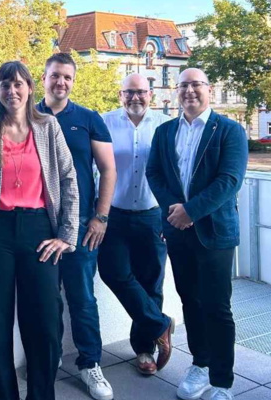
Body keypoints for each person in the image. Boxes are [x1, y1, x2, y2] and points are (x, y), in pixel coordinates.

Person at [0, 60, 78, 400]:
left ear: (29, 88)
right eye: (4, 84)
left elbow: (68, 178)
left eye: (18, 84)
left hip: (40, 230)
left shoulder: (48, 126)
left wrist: (67, 235)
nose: (11, 91)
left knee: (45, 324)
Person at [146, 68, 248, 400]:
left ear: (210, 89)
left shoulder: (229, 130)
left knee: (217, 306)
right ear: (177, 91)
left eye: (196, 84)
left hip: (215, 232)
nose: (190, 91)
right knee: (190, 300)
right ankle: (200, 364)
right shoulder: (164, 132)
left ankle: (221, 382)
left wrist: (191, 211)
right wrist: (174, 210)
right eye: (184, 85)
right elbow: (154, 173)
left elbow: (229, 180)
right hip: (178, 232)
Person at [36, 53, 117, 400]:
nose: (61, 82)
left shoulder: (88, 119)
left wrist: (101, 217)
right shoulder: (28, 115)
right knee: (45, 297)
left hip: (83, 224)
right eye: (55, 75)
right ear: (43, 78)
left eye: (67, 77)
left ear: (73, 81)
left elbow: (108, 169)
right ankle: (49, 356)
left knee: (82, 297)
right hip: (39, 223)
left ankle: (90, 363)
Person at [99, 73, 174, 376]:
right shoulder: (104, 123)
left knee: (151, 281)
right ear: (120, 95)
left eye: (141, 91)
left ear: (150, 95)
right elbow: (95, 168)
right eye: (129, 92)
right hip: (114, 214)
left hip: (152, 215)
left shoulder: (165, 126)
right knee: (112, 272)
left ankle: (144, 349)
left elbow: (173, 173)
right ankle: (159, 324)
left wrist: (170, 216)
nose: (135, 97)